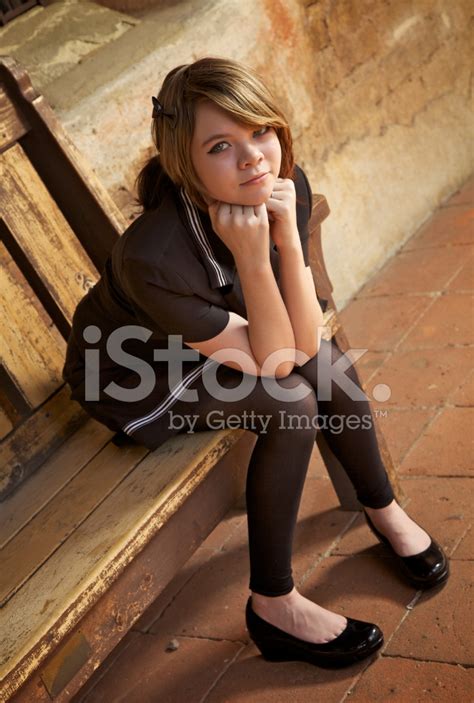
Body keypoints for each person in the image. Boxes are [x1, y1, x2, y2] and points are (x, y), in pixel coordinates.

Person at [62, 56, 449, 669]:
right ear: (183, 161)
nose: (254, 160)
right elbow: (275, 363)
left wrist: (286, 239)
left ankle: (382, 506)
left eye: (261, 132)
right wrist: (249, 253)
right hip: (135, 372)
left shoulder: (281, 185)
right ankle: (274, 604)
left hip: (217, 337)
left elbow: (298, 341)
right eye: (222, 145)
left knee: (324, 365)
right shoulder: (154, 258)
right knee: (292, 401)